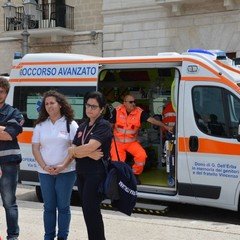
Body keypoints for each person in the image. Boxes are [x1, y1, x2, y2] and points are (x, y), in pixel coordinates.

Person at [54, 91, 112, 240]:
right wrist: (84, 152)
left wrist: (79, 150)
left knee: (92, 210)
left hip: (95, 173)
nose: (90, 109)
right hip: (81, 173)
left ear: (101, 109)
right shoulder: (83, 126)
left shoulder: (103, 126)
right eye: (88, 105)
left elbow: (88, 147)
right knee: (87, 210)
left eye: (94, 106)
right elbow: (72, 149)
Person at [32, 90, 78, 240]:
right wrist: (45, 167)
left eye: (52, 103)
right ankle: (48, 237)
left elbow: (74, 148)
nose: (49, 106)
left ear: (60, 104)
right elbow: (35, 148)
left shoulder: (70, 124)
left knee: (63, 207)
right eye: (46, 104)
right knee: (49, 207)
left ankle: (62, 236)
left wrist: (63, 166)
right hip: (45, 172)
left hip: (66, 171)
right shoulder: (40, 125)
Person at [109, 94, 173, 184]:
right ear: (124, 103)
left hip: (131, 143)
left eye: (134, 102)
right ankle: (120, 180)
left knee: (141, 155)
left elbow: (153, 120)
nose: (133, 104)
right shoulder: (117, 111)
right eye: (131, 102)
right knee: (117, 163)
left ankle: (134, 175)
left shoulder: (139, 112)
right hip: (117, 143)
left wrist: (165, 127)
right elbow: (109, 125)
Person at [0, 77, 24, 240]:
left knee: (9, 202)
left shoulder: (14, 112)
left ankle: (13, 236)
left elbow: (9, 135)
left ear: (6, 93)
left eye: (1, 91)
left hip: (8, 164)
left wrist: (6, 130)